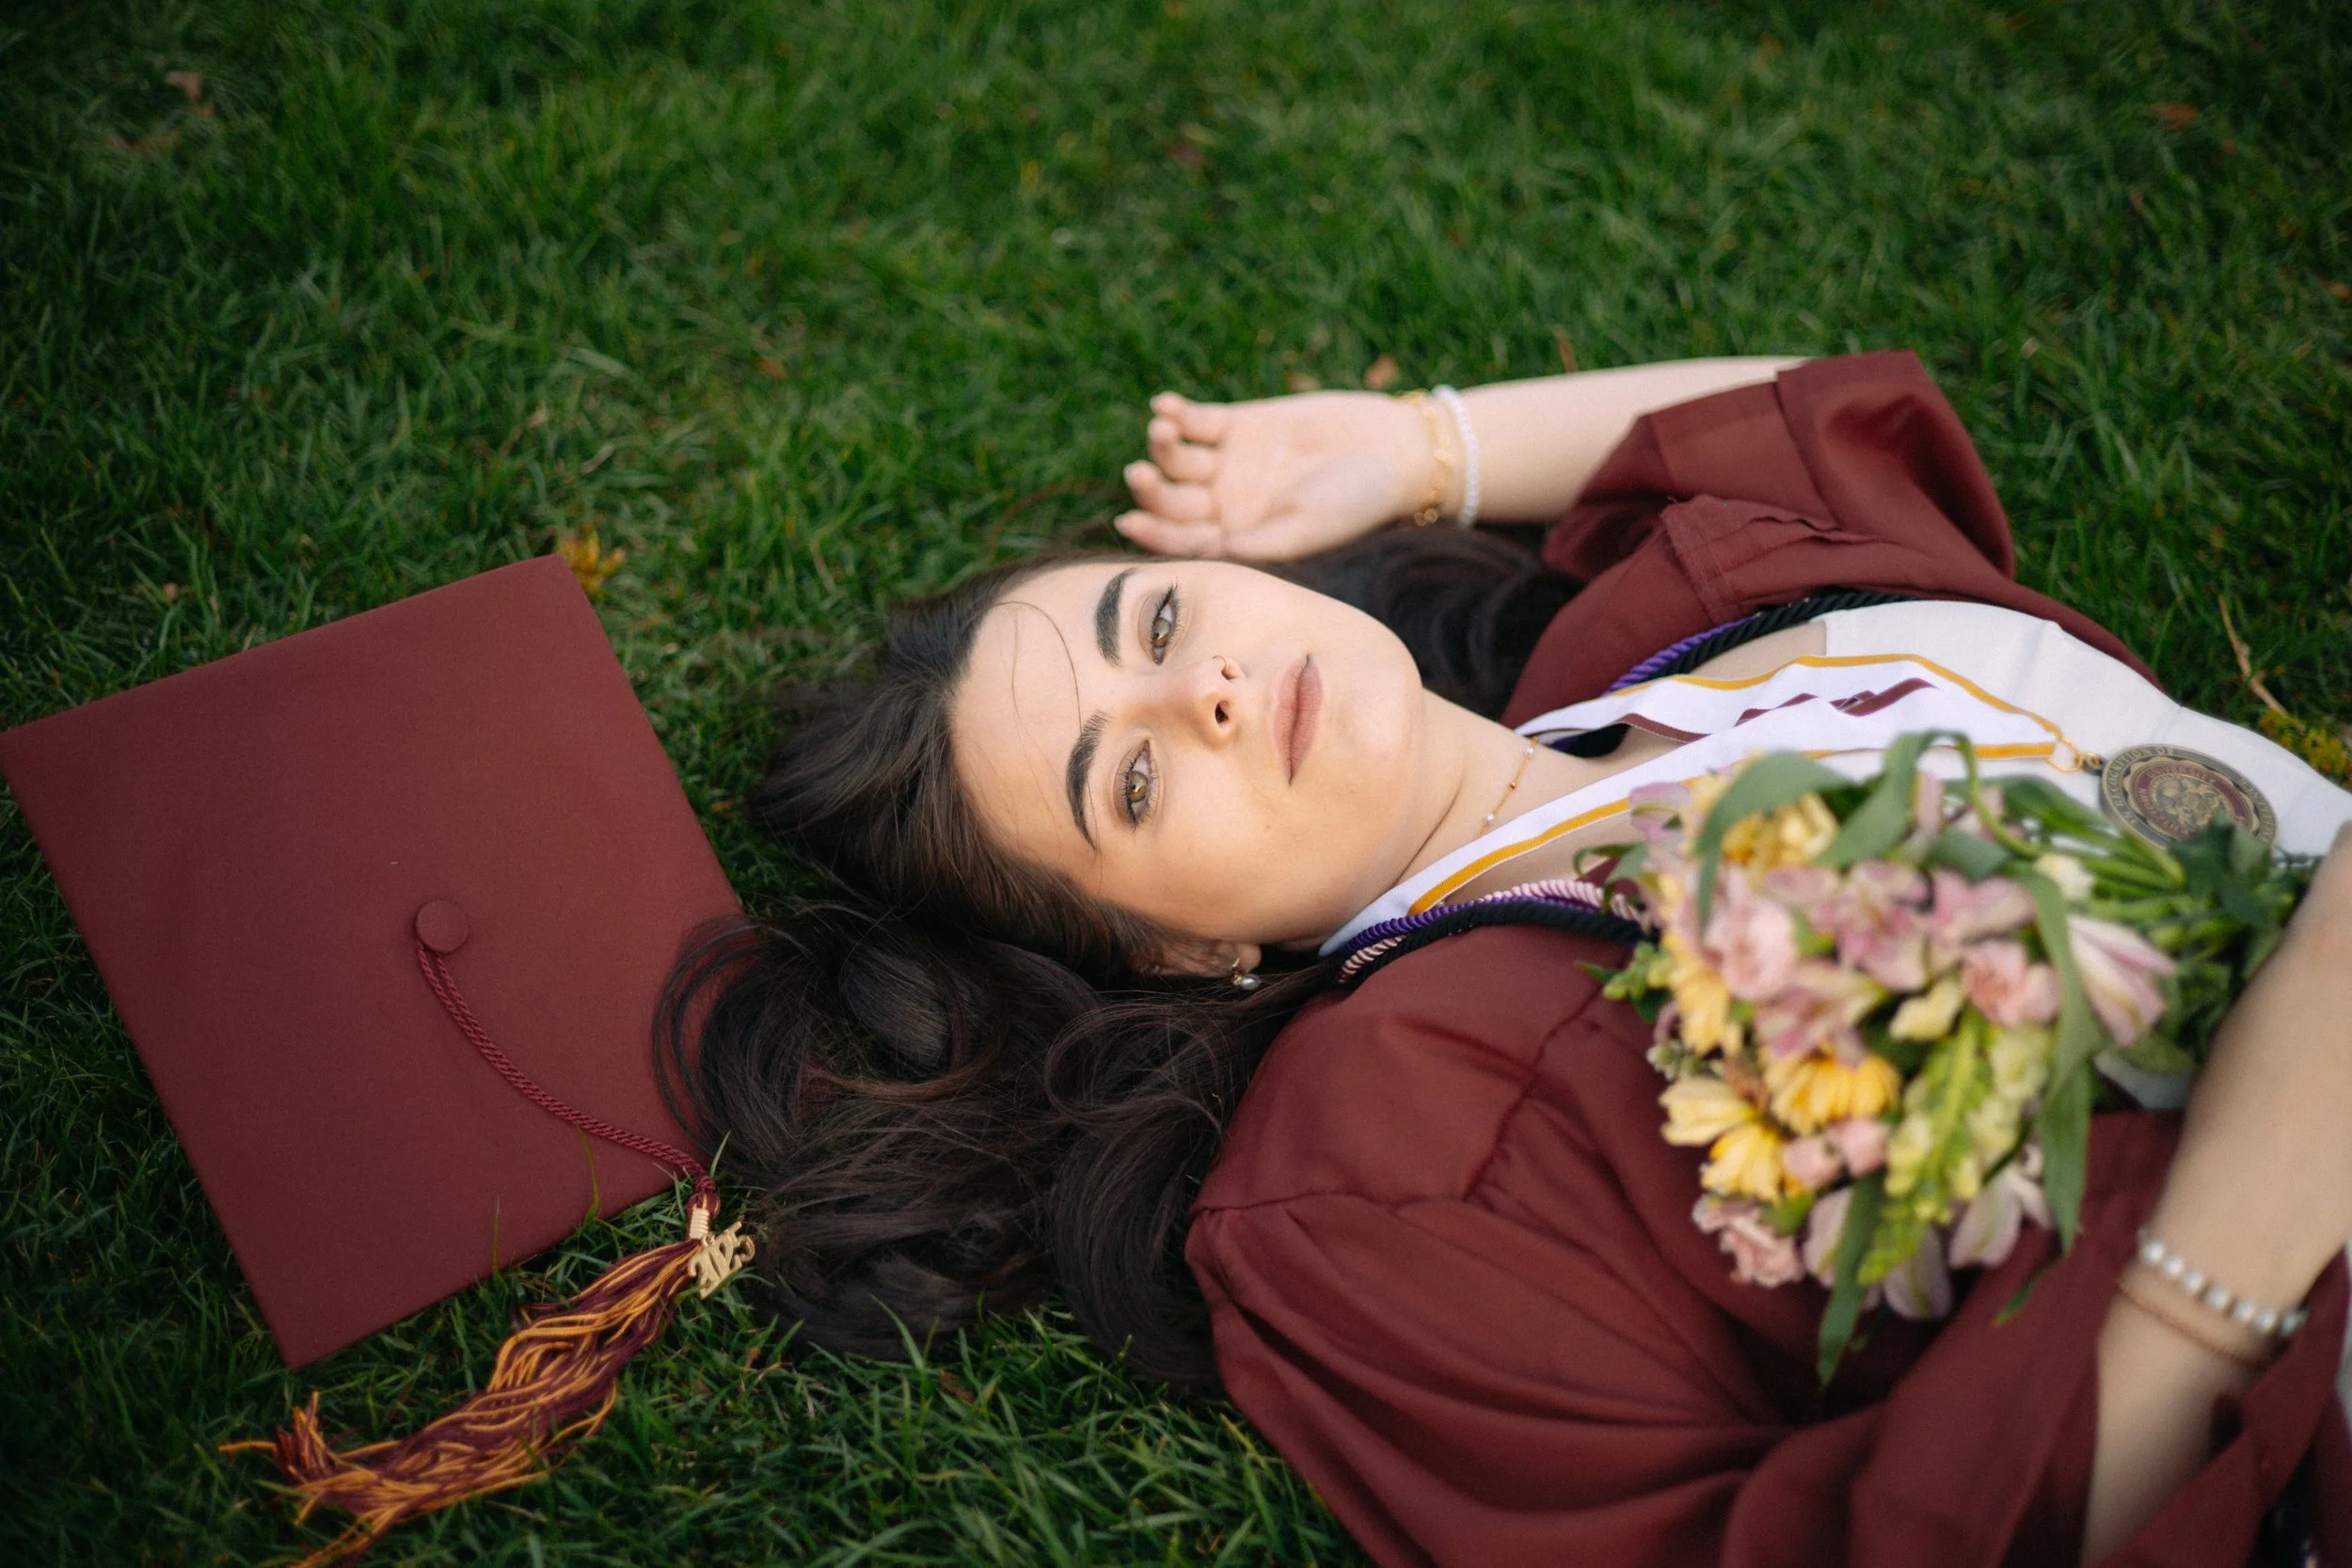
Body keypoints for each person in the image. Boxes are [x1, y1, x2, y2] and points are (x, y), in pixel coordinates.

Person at [665, 352, 2352, 1565]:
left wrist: (1413, 446)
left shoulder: (1676, 626)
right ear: (1180, 948)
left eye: (1162, 620)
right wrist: (2243, 1227)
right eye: (1133, 777)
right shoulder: (1382, 1146)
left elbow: (1799, 406)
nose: (1213, 693)